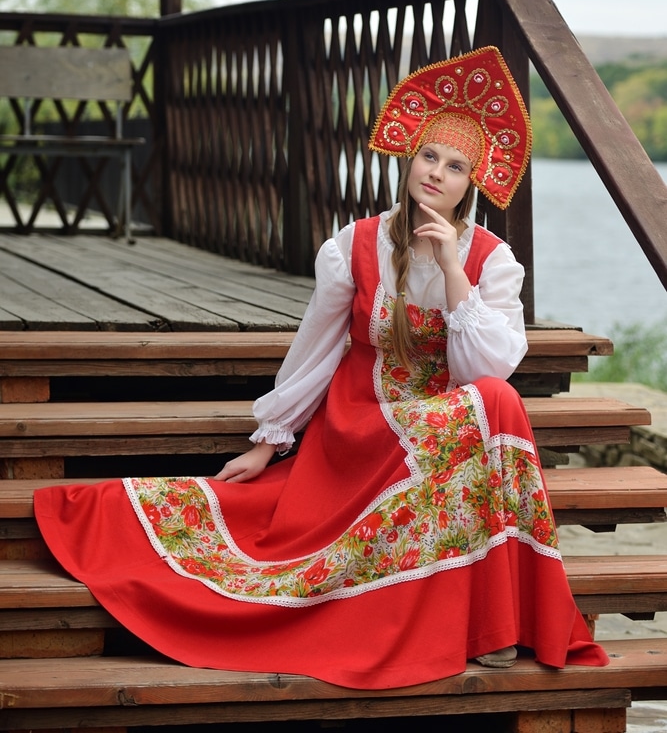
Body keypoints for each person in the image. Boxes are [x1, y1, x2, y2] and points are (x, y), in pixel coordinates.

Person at [34, 46, 608, 689]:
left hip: (446, 434)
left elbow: (485, 368)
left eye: (454, 167)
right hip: (361, 428)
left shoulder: (492, 262)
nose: (436, 175)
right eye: (428, 156)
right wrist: (270, 439)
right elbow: (313, 352)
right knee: (494, 411)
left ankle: (495, 624)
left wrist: (451, 269)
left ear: (469, 184)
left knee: (497, 402)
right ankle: (491, 626)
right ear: (408, 159)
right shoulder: (352, 246)